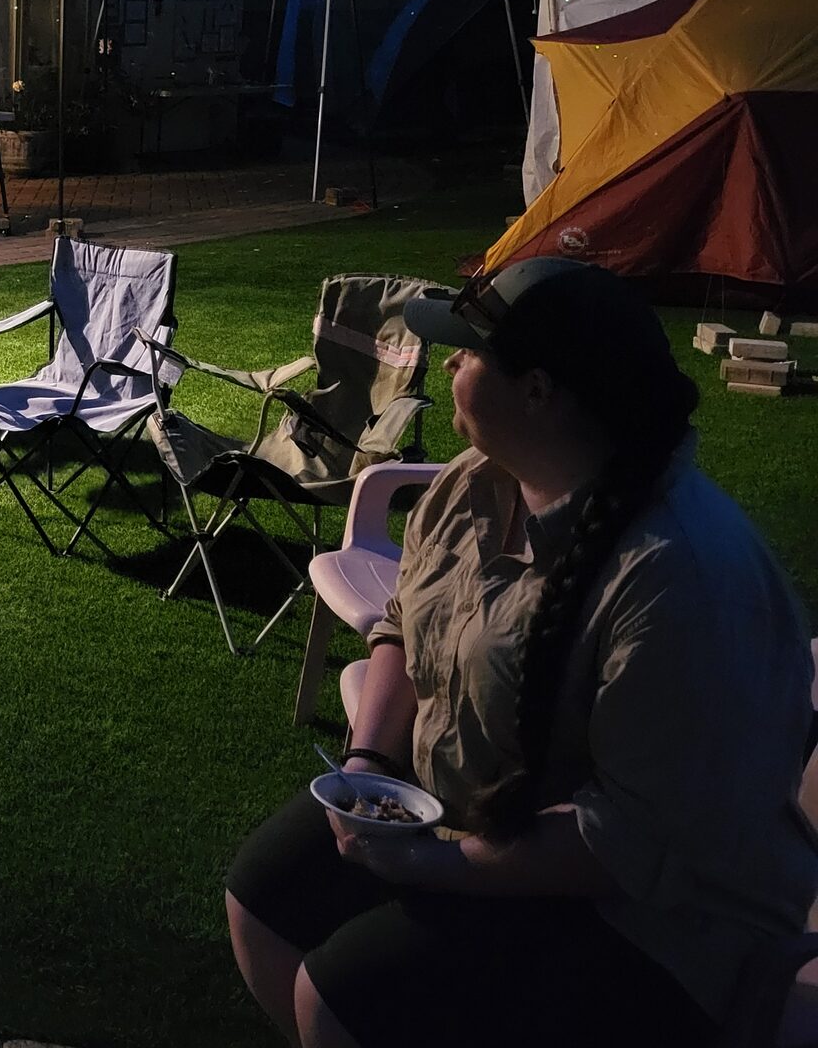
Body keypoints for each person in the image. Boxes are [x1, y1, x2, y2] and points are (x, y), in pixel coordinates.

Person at [224, 257, 817, 1048]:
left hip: (650, 918)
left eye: (469, 353)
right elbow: (401, 625)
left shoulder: (679, 579)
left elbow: (632, 842)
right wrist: (366, 764)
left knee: (340, 994)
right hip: (473, 814)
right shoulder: (476, 482)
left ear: (538, 391)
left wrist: (444, 866)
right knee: (261, 899)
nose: (449, 365)